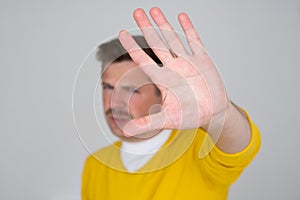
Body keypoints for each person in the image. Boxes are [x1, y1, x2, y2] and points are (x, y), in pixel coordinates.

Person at [81, 7, 261, 200]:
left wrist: (220, 115)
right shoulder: (95, 165)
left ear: (162, 94)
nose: (114, 103)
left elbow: (239, 146)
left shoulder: (200, 147)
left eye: (132, 90)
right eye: (108, 87)